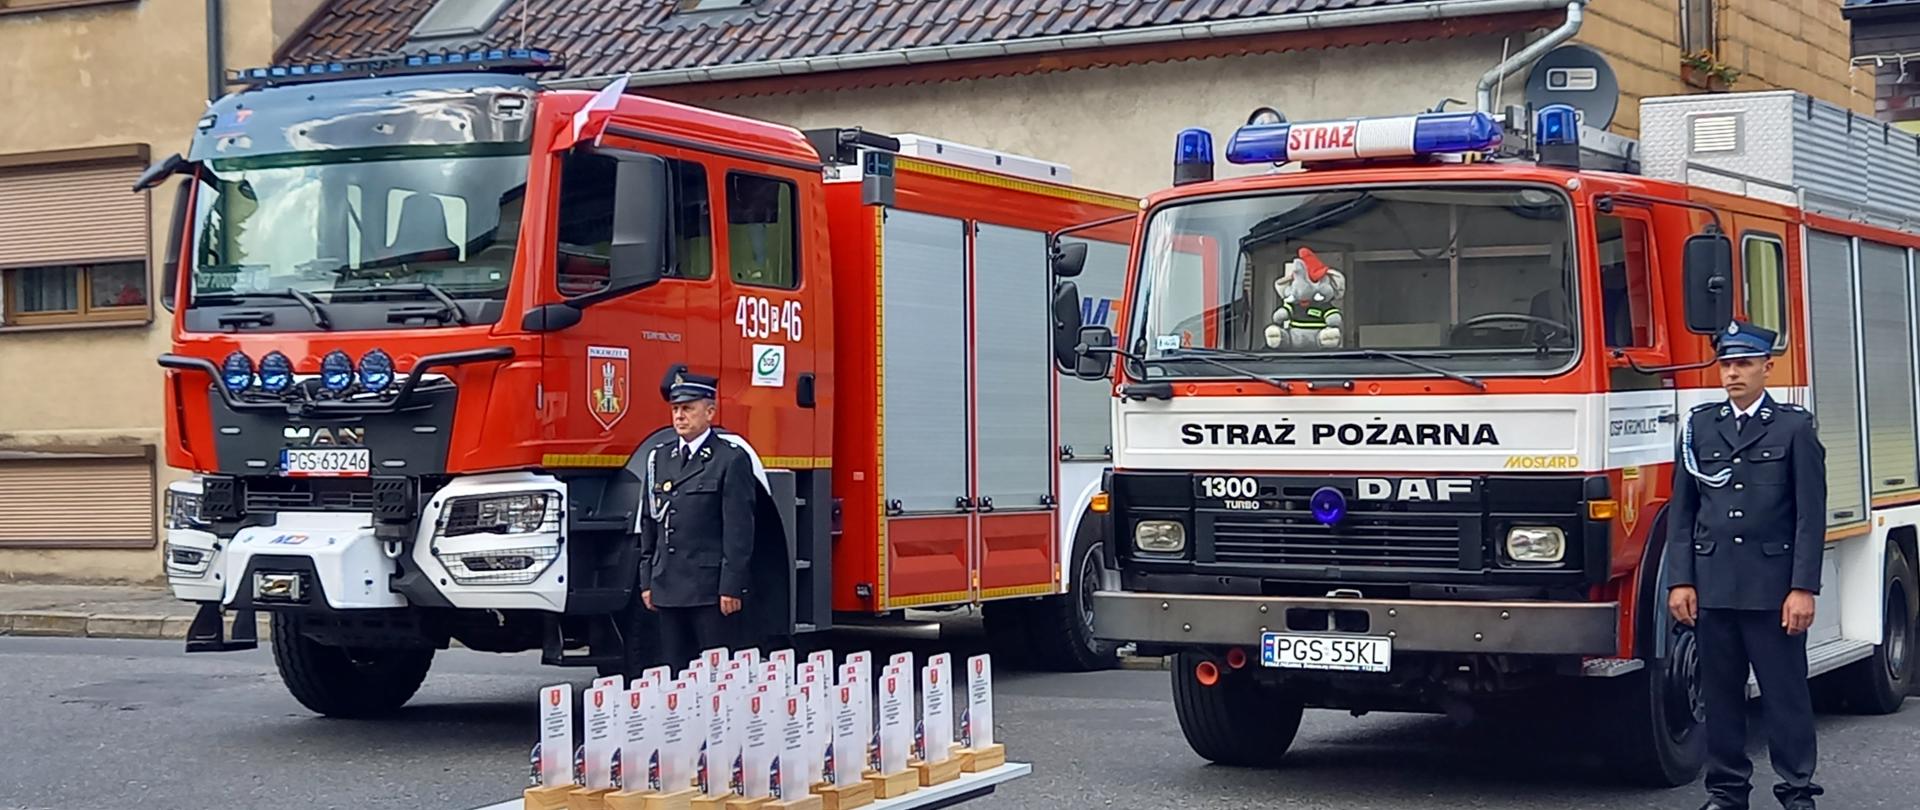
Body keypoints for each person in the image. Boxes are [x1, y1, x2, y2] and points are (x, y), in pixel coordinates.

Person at [1666, 319, 1826, 810]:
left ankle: (1797, 790)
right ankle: (1727, 791)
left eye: (1744, 364)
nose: (1733, 373)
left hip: (1771, 588)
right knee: (1719, 697)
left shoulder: (1793, 427)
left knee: (1785, 697)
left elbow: (1808, 516)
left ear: (1767, 369)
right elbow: (1683, 511)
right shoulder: (1701, 426)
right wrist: (1681, 581)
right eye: (1727, 364)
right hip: (1714, 586)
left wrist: (1803, 587)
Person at [638, 371, 757, 667]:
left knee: (715, 671)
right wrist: (647, 579)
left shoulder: (729, 458)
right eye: (676, 409)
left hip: (708, 588)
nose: (680, 416)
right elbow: (650, 522)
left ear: (710, 412)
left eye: (688, 409)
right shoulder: (659, 458)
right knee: (675, 669)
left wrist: (731, 586)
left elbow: (738, 529)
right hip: (668, 584)